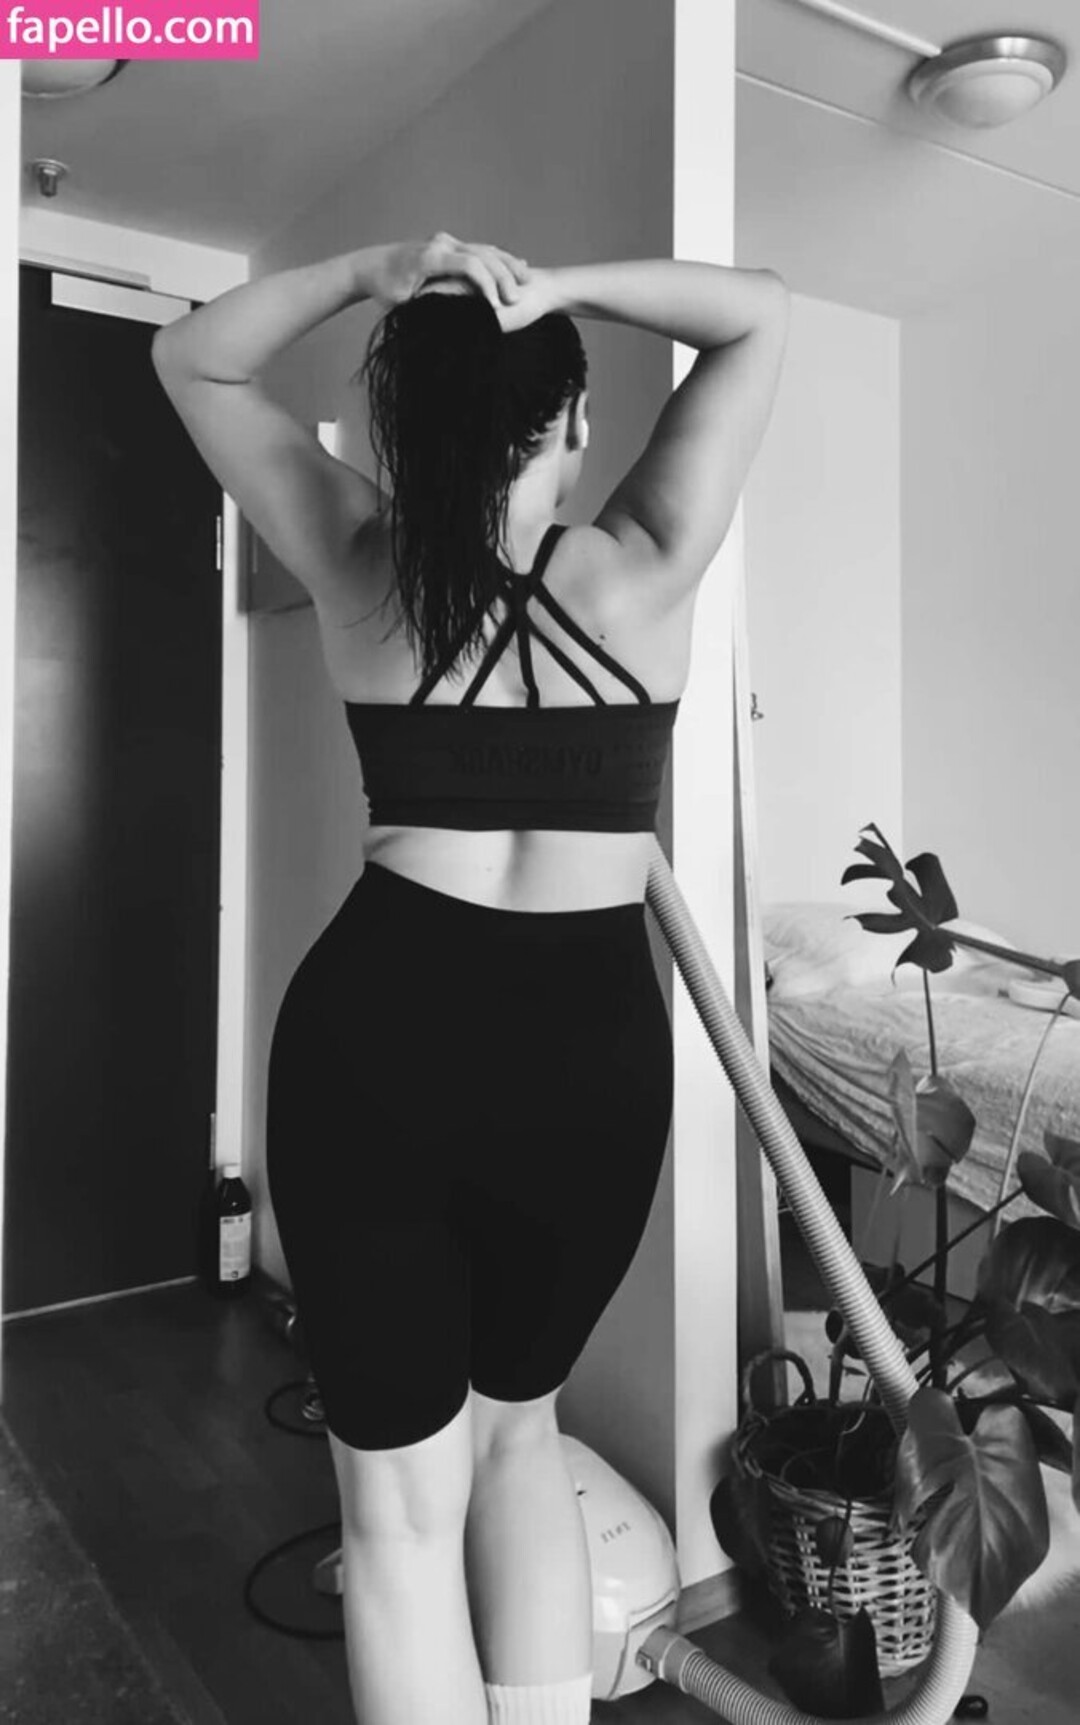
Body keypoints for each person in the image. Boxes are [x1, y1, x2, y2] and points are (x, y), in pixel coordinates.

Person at [152, 231, 788, 1725]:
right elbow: (755, 320)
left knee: (394, 1522)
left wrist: (378, 268)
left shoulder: (362, 563)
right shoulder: (646, 567)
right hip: (587, 1064)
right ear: (571, 426)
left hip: (378, 1046)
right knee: (522, 1441)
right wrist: (564, 287)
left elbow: (190, 357)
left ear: (416, 435)